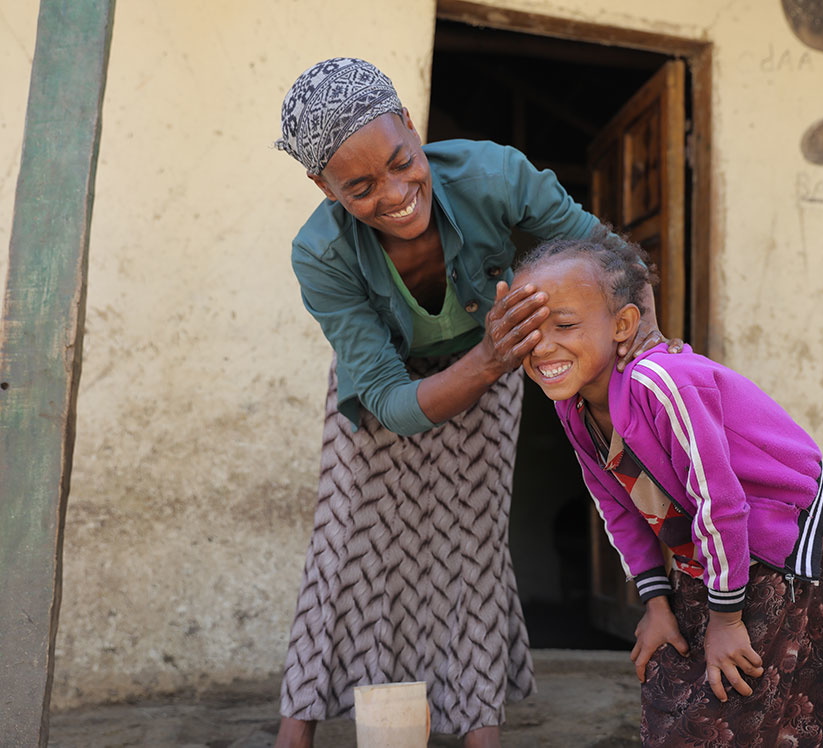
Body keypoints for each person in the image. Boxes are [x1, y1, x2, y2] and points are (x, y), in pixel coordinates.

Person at [272, 58, 674, 748]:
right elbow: (391, 405)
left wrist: (651, 371)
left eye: (401, 162)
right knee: (342, 547)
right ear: (322, 186)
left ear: (410, 126)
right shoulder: (320, 253)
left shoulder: (492, 176)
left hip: (490, 363)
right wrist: (490, 356)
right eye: (360, 187)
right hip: (388, 382)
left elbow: (612, 262)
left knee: (472, 544)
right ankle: (296, 730)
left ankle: (478, 729)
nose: (396, 194)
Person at [511, 233, 823, 747]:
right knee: (671, 682)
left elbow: (722, 502)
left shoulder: (662, 384)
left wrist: (727, 617)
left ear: (623, 325)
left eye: (564, 325)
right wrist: (654, 603)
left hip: (776, 522)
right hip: (710, 543)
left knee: (734, 692)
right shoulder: (573, 408)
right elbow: (618, 507)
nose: (543, 346)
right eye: (529, 330)